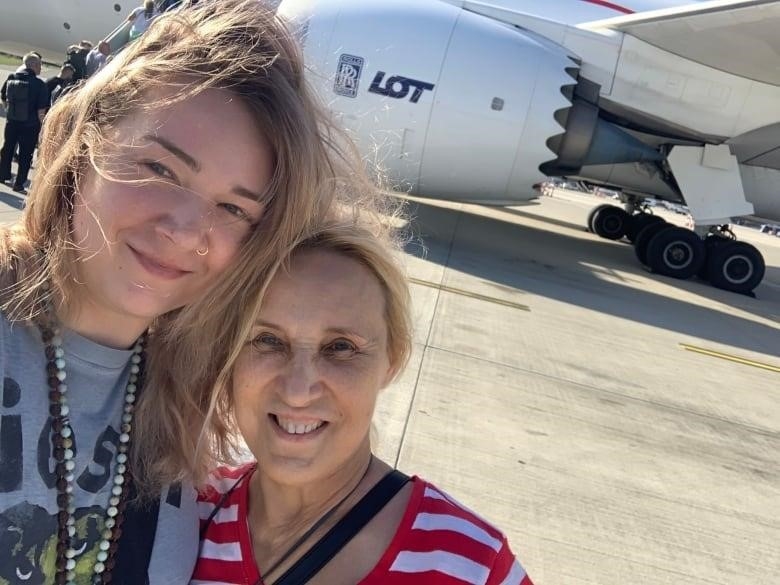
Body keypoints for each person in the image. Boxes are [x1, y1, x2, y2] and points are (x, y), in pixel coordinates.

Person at [0, 1, 382, 583]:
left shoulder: (193, 418)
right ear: (84, 148)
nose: (184, 232)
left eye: (233, 208)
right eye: (159, 170)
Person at [191, 223, 534, 584]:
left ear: (392, 361)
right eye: (267, 340)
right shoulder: (183, 518)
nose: (297, 389)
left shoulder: (474, 566)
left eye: (341, 347)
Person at [0, 52, 49, 194]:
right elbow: (41, 110)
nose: (40, 68)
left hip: (12, 122)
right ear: (33, 65)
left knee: (7, 149)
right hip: (30, 125)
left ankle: (3, 175)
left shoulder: (11, 78)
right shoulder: (40, 84)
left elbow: (3, 97)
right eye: (39, 65)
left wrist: (9, 111)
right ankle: (19, 183)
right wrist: (43, 127)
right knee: (25, 155)